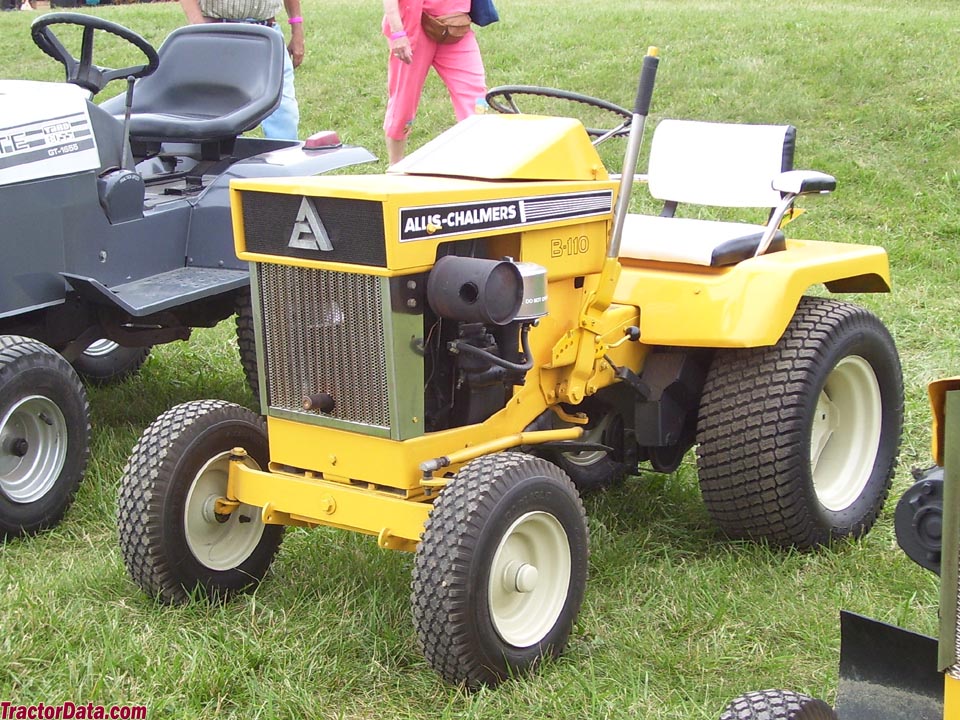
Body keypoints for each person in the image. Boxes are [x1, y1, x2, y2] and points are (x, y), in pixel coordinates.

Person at [382, 0, 487, 165]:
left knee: (476, 97)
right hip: (413, 29)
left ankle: (476, 165)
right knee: (403, 104)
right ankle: (395, 168)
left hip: (455, 26)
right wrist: (397, 33)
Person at [179, 0, 302, 140]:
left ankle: (284, 159)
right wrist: (199, 27)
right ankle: (217, 159)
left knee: (284, 111)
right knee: (218, 111)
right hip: (218, 31)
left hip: (268, 33)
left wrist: (296, 27)